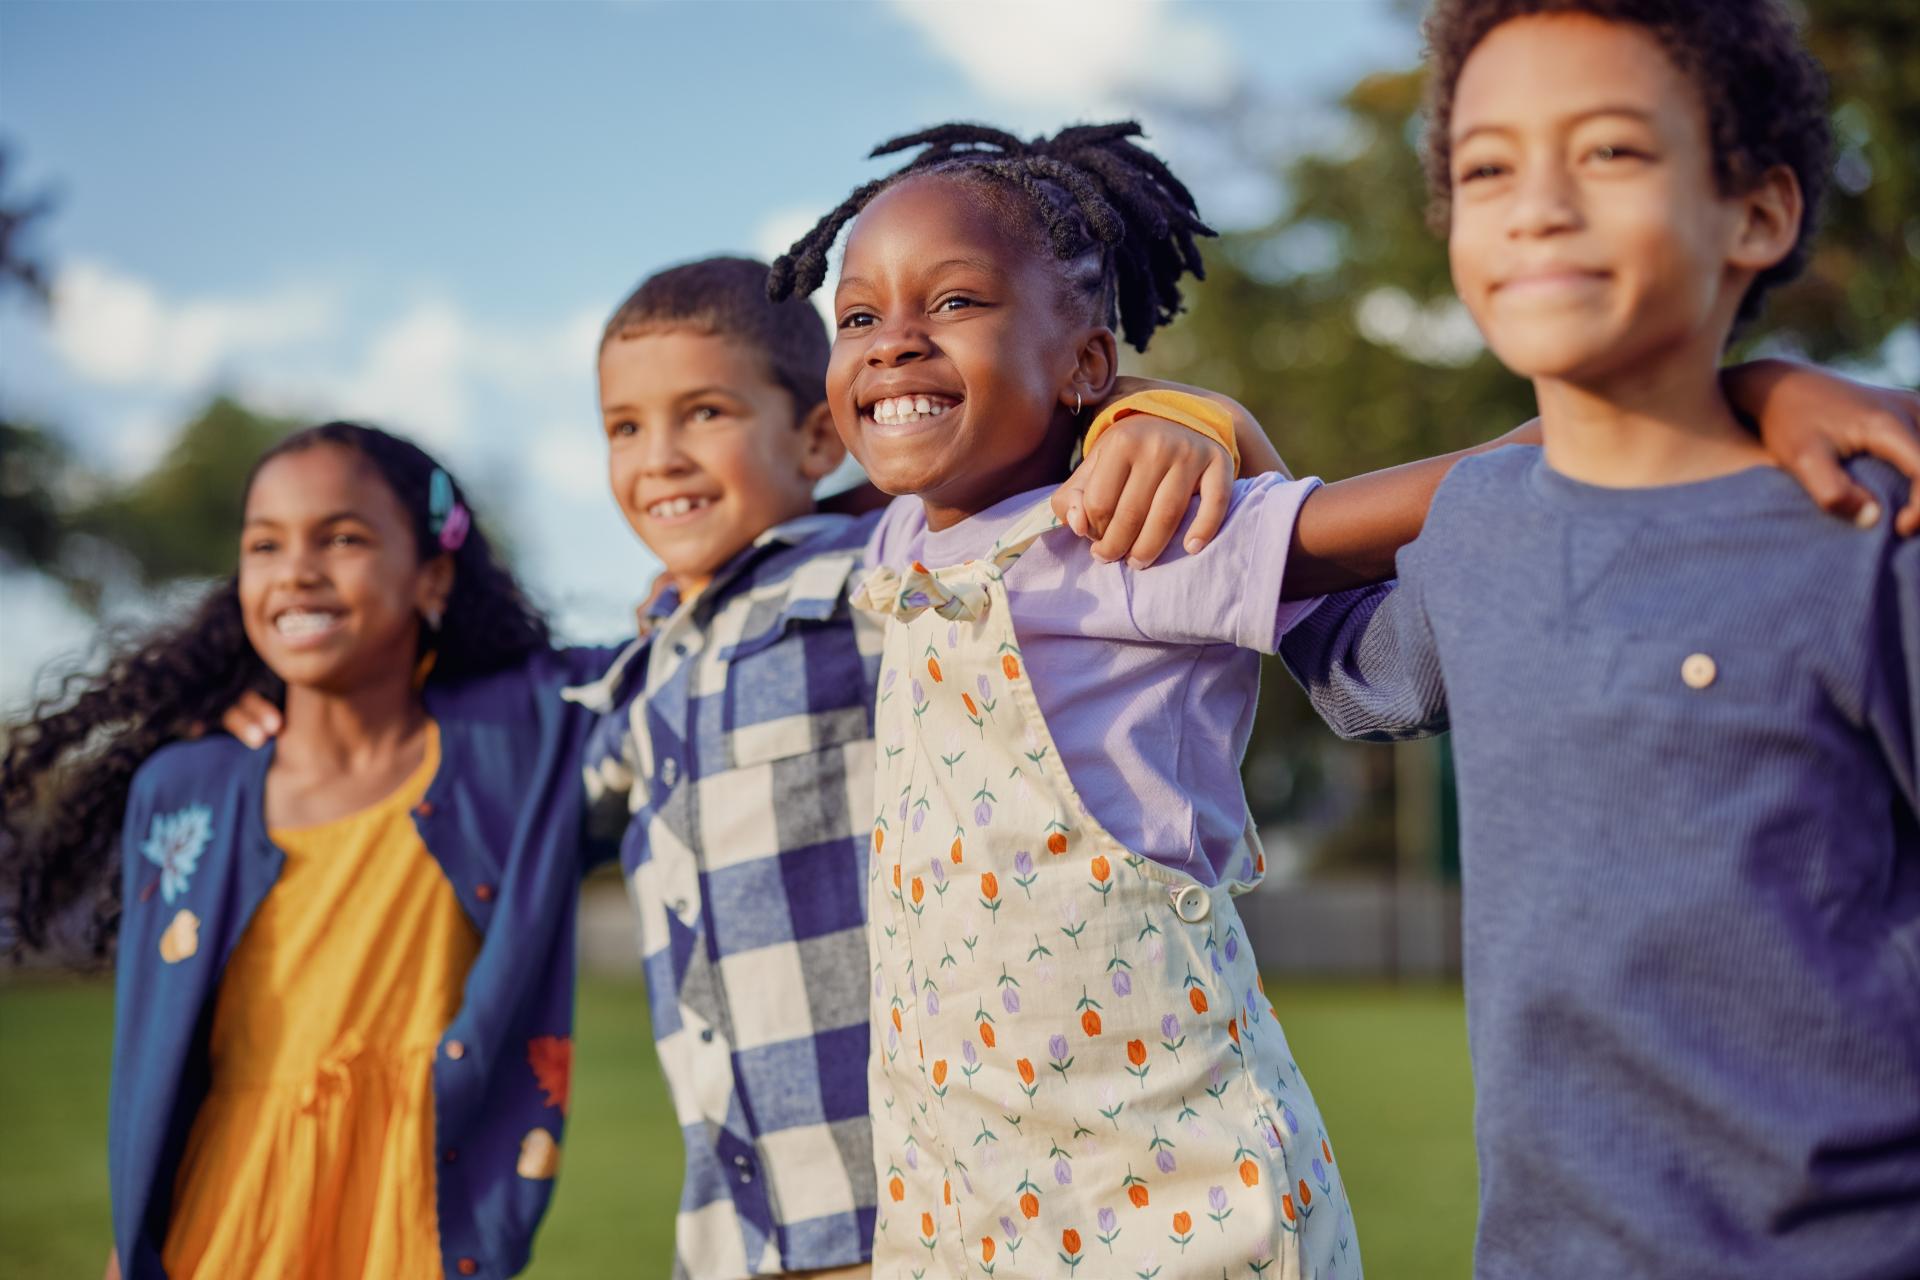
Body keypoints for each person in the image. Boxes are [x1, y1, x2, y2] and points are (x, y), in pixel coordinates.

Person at [1279, 3, 1920, 1274]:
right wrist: (1199, 427)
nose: (1538, 204)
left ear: (1759, 213)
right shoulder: (1473, 534)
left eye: (1612, 151)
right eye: (1486, 167)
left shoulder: (1863, 528)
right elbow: (1326, 649)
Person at [563, 255, 1273, 1279]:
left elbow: (1010, 447)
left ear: (817, 432)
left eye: (704, 413)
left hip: (900, 1203)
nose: (660, 457)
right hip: (731, 1227)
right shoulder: (646, 661)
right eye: (624, 428)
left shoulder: (874, 579)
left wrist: (1175, 414)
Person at [1, 424, 609, 1280]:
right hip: (219, 1230)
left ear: (433, 575)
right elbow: (159, 1058)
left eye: (345, 538)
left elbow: (680, 658)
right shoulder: (185, 789)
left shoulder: (521, 740)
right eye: (265, 544)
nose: (297, 570)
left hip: (418, 1226)